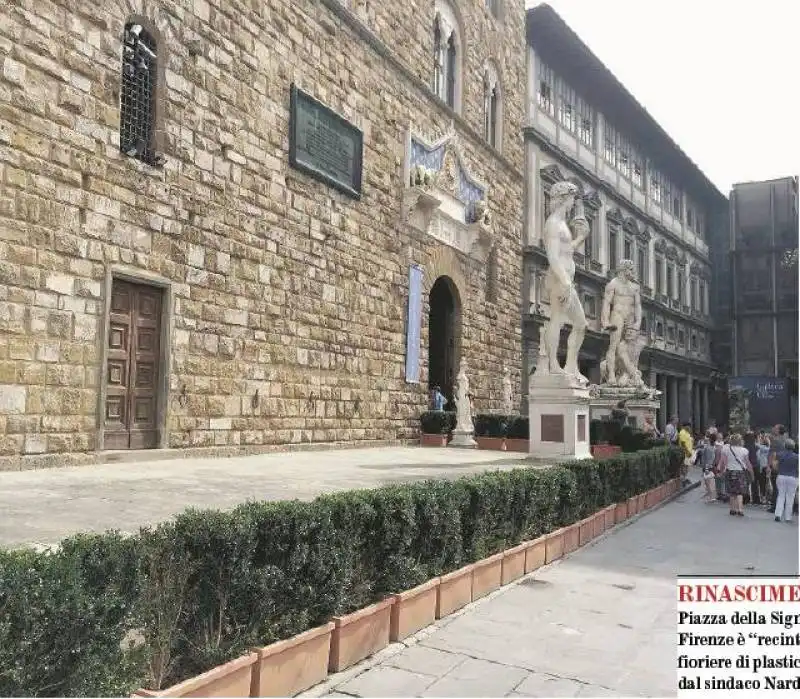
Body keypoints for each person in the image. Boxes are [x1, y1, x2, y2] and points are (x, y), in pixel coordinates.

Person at [721, 433, 753, 517]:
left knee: (732, 492)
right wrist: (751, 472)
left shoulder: (726, 450)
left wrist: (721, 471)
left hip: (730, 471)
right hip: (740, 472)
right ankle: (740, 509)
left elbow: (723, 462)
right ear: (740, 441)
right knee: (740, 492)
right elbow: (747, 463)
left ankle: (732, 509)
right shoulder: (744, 450)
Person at [774, 438, 799, 523]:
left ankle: (778, 514)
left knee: (781, 495)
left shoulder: (779, 454)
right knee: (790, 497)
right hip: (793, 477)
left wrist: (779, 470)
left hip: (781, 476)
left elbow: (775, 465)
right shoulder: (797, 456)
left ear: (785, 446)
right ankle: (788, 517)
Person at [767, 424, 788, 514]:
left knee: (776, 487)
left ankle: (775, 506)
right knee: (783, 487)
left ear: (779, 431)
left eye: (775, 428)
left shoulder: (775, 441)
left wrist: (768, 466)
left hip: (776, 466)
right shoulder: (787, 440)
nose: (773, 429)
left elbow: (772, 454)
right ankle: (783, 506)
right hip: (785, 466)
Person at [700, 431, 718, 503]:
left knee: (708, 483)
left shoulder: (708, 448)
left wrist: (706, 468)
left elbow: (707, 459)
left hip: (708, 466)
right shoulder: (714, 447)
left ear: (710, 439)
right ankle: (712, 496)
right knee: (711, 482)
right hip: (712, 466)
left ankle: (711, 497)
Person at [743, 431, 760, 505]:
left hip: (746, 466)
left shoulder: (744, 447)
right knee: (755, 483)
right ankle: (756, 499)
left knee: (746, 483)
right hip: (755, 465)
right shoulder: (756, 446)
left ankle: (746, 498)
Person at [677, 421, 694, 486]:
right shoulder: (682, 432)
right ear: (685, 426)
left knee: (687, 467)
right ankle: (682, 480)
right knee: (684, 466)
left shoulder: (687, 433)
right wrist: (687, 452)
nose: (690, 428)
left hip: (688, 452)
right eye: (689, 426)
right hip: (684, 452)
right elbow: (683, 444)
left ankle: (684, 479)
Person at [713, 432, 728, 502]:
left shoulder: (724, 446)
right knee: (717, 479)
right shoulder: (714, 445)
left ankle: (723, 494)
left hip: (722, 464)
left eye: (721, 437)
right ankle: (719, 493)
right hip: (716, 464)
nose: (720, 438)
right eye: (719, 437)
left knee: (722, 480)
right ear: (717, 438)